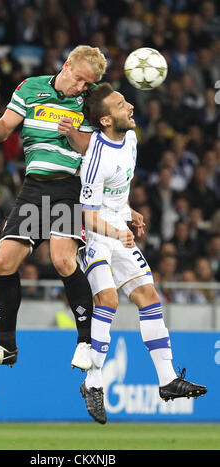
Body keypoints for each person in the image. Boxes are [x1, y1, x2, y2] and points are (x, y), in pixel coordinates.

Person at [0, 45, 107, 373]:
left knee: (61, 259)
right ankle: (6, 347)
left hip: (69, 187)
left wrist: (74, 136)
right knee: (3, 261)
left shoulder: (88, 104)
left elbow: (96, 149)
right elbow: (2, 132)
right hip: (34, 189)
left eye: (89, 84)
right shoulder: (30, 88)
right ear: (67, 64)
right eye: (81, 80)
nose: (82, 88)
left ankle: (86, 343)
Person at [78, 82, 207, 424]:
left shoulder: (131, 140)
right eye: (121, 104)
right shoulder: (95, 157)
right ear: (105, 120)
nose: (131, 106)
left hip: (119, 227)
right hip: (95, 235)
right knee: (108, 299)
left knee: (150, 297)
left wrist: (129, 211)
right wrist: (116, 229)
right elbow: (87, 214)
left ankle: (167, 380)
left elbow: (115, 193)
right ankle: (93, 382)